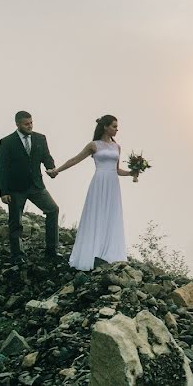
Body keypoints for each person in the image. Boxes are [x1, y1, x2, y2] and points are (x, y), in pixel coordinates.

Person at [48, 114, 137, 270]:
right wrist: (57, 170)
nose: (117, 129)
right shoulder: (94, 145)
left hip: (112, 184)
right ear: (105, 127)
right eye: (114, 126)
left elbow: (116, 170)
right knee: (96, 214)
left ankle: (108, 254)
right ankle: (91, 253)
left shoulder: (117, 147)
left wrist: (131, 173)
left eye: (117, 126)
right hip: (99, 181)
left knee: (110, 215)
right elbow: (75, 159)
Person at [0, 110, 61, 264]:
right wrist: (3, 192)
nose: (30, 126)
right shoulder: (7, 142)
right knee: (15, 221)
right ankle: (17, 255)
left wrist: (51, 168)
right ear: (17, 124)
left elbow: (46, 157)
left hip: (36, 185)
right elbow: (1, 168)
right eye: (26, 124)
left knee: (53, 209)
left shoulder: (40, 138)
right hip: (15, 188)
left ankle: (52, 250)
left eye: (31, 123)